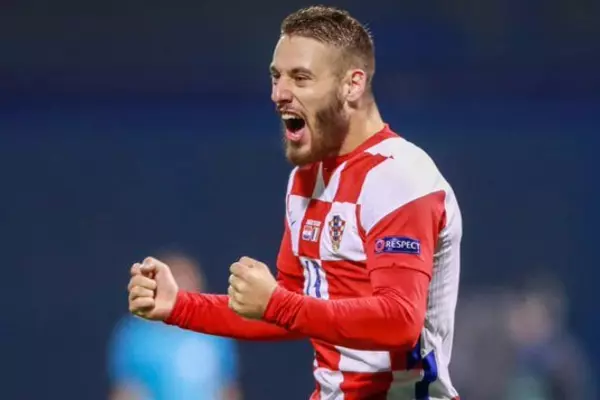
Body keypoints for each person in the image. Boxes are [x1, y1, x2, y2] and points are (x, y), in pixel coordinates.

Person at [127, 6, 462, 399]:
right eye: (276, 76)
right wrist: (179, 306)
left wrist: (279, 304)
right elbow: (288, 310)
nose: (279, 94)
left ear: (352, 85)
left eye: (300, 78)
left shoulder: (399, 176)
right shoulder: (306, 179)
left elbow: (400, 321)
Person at [109, 251, 241, 400]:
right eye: (176, 279)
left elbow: (226, 388)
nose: (183, 288)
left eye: (188, 281)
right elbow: (126, 390)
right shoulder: (135, 335)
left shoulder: (216, 332)